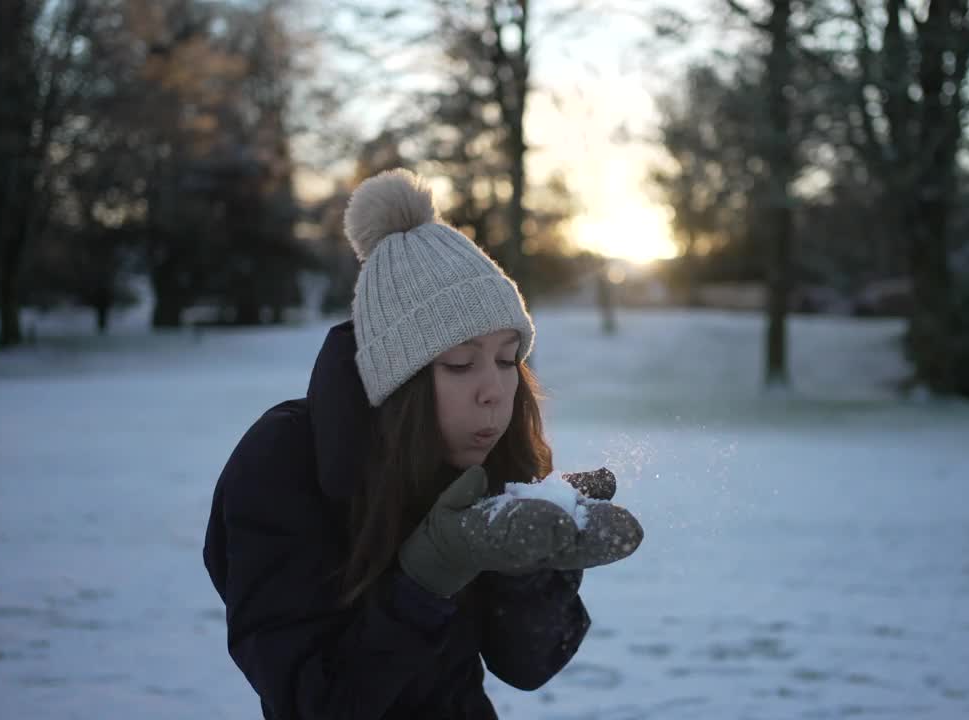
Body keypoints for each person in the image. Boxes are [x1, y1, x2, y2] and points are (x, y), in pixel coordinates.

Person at [202, 168, 644, 720]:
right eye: (460, 363)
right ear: (397, 379)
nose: (495, 392)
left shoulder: (484, 455)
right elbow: (313, 701)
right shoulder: (282, 463)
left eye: (508, 360)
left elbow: (530, 666)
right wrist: (428, 576)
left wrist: (532, 562)